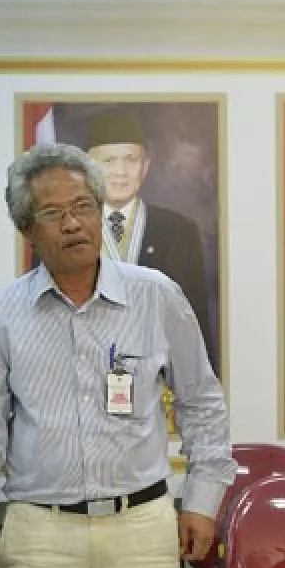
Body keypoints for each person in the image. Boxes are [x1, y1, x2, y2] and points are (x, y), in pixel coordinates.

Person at [0, 143, 236, 568]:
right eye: (53, 213)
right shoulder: (1, 316)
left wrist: (203, 498)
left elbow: (202, 401)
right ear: (27, 228)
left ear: (102, 210)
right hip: (41, 536)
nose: (73, 223)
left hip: (140, 529)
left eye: (83, 206)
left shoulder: (156, 296)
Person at [84, 106, 218, 373]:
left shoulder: (179, 232)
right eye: (108, 161)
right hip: (82, 383)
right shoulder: (66, 232)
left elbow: (195, 327)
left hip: (159, 385)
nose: (120, 171)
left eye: (130, 160)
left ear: (145, 166)